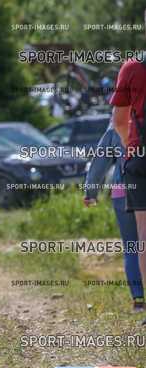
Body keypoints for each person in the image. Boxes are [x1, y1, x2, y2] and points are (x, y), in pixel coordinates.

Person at [84, 127, 144, 318]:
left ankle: (139, 300)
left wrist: (90, 193)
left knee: (132, 246)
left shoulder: (116, 127)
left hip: (121, 189)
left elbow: (99, 163)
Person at [110, 27, 146, 293]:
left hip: (140, 158)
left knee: (144, 234)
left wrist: (132, 146)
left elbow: (120, 121)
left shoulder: (132, 67)